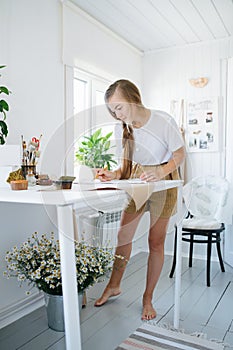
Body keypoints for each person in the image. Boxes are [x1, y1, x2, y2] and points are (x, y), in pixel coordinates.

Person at [94, 79, 185, 320]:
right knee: (123, 235)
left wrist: (160, 171)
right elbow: (126, 167)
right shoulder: (122, 127)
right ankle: (114, 285)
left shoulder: (163, 120)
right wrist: (111, 174)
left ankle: (147, 298)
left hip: (165, 182)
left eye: (119, 108)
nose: (116, 114)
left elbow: (179, 154)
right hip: (138, 181)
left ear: (134, 99)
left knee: (156, 242)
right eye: (113, 111)